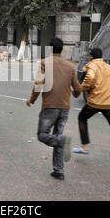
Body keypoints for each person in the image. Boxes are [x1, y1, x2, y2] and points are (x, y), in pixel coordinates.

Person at [26, 38, 81, 180]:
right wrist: (75, 93)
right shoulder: (70, 66)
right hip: (64, 107)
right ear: (62, 49)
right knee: (58, 134)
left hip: (50, 106)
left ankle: (61, 142)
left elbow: (39, 83)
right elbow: (77, 89)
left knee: (42, 135)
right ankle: (59, 170)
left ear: (51, 49)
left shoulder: (45, 63)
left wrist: (32, 99)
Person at [72, 48, 110, 170]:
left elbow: (90, 78)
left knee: (82, 118)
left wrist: (81, 88)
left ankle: (85, 147)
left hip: (95, 102)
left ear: (91, 57)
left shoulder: (92, 66)